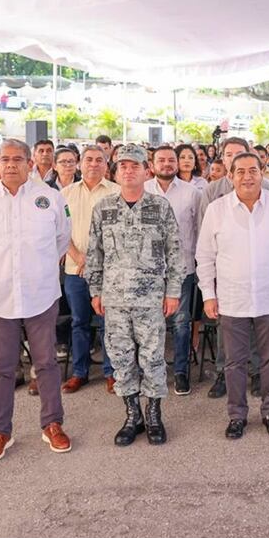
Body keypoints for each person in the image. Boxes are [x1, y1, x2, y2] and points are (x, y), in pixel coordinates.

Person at [0, 138, 73, 463]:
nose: (10, 165)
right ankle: (0, 432)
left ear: (30, 163)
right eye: (5, 159)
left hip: (41, 293)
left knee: (47, 363)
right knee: (2, 368)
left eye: (17, 159)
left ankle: (52, 424)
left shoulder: (50, 198)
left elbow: (62, 239)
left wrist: (38, 268)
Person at [196, 152, 269, 440]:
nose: (247, 177)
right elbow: (205, 256)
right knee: (234, 362)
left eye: (253, 171)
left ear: (262, 173)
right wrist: (208, 294)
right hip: (232, 300)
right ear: (230, 176)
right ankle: (237, 416)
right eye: (240, 171)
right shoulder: (217, 210)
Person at [86, 144, 184, 446]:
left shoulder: (160, 206)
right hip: (114, 299)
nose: (128, 171)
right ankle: (133, 416)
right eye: (123, 166)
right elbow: (95, 252)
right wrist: (95, 290)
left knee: (152, 358)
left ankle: (154, 415)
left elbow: (175, 251)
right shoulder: (103, 208)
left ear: (146, 171)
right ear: (115, 172)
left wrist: (173, 291)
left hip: (151, 298)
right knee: (121, 358)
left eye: (135, 166)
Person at [197, 137, 269, 399]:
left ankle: (256, 373)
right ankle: (223, 373)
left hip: (262, 276)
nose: (235, 159)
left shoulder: (267, 187)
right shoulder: (212, 191)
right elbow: (205, 237)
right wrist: (210, 285)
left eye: (240, 154)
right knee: (228, 331)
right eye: (229, 155)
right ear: (224, 161)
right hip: (226, 275)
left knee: (258, 328)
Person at [59, 145, 119, 394]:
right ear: (79, 164)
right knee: (79, 322)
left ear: (106, 165)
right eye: (89, 160)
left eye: (99, 160)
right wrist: (77, 256)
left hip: (108, 271)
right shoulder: (65, 194)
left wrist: (96, 261)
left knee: (109, 323)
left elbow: (120, 233)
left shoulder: (117, 192)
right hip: (76, 269)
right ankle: (79, 372)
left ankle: (111, 372)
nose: (93, 164)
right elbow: (60, 230)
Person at [145, 145, 203, 396]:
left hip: (182, 269)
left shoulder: (192, 193)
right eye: (162, 160)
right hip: (148, 271)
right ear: (152, 165)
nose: (167, 164)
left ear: (177, 164)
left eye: (171, 160)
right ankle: (153, 373)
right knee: (151, 323)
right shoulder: (142, 190)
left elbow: (200, 230)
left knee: (181, 323)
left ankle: (180, 372)